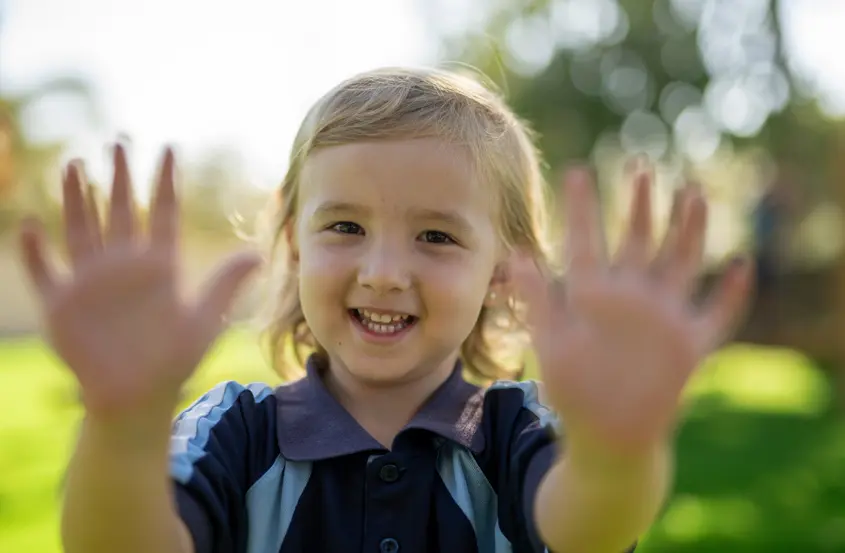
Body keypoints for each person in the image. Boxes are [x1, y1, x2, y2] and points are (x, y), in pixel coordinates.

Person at [19, 67, 751, 553]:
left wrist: (617, 449)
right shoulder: (235, 432)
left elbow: (589, 523)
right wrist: (121, 426)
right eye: (344, 227)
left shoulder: (514, 432)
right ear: (293, 240)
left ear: (503, 272)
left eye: (435, 235)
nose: (383, 272)